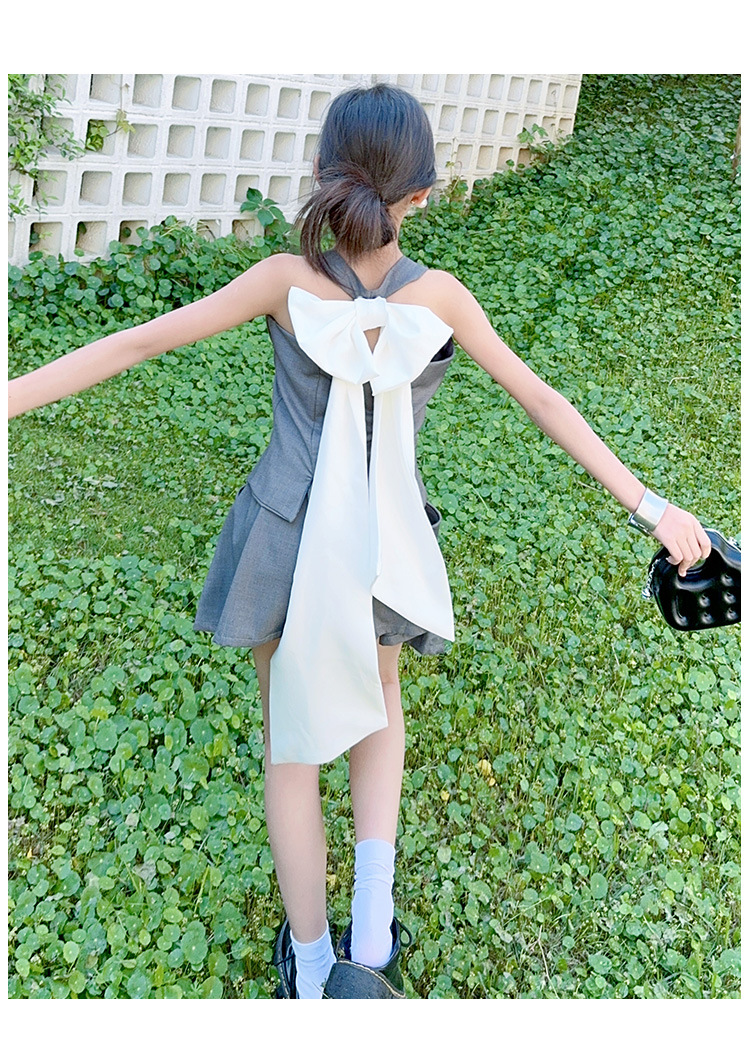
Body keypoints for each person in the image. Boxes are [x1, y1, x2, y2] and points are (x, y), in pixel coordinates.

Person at [8, 83, 712, 1000]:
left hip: (285, 540)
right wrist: (652, 506)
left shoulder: (282, 281)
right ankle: (370, 933)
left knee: (291, 744)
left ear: (322, 174)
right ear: (419, 193)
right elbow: (543, 399)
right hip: (389, 546)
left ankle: (310, 968)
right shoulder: (442, 297)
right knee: (380, 703)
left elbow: (138, 344)